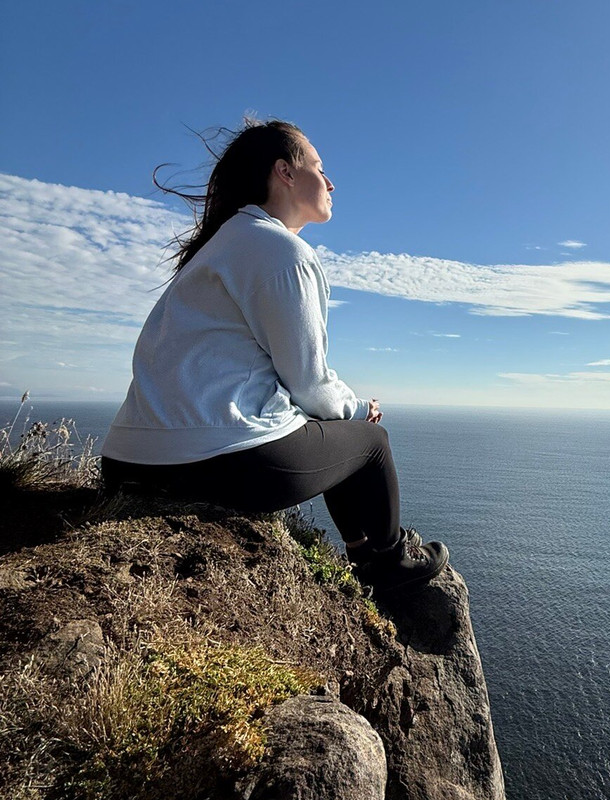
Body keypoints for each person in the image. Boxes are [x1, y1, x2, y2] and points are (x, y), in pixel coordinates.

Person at [100, 118, 448, 593]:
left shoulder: (222, 245)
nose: (330, 182)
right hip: (212, 462)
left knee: (335, 427)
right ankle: (388, 561)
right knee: (372, 442)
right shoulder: (282, 251)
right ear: (285, 172)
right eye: (319, 167)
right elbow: (308, 383)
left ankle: (362, 550)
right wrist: (359, 409)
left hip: (127, 463)